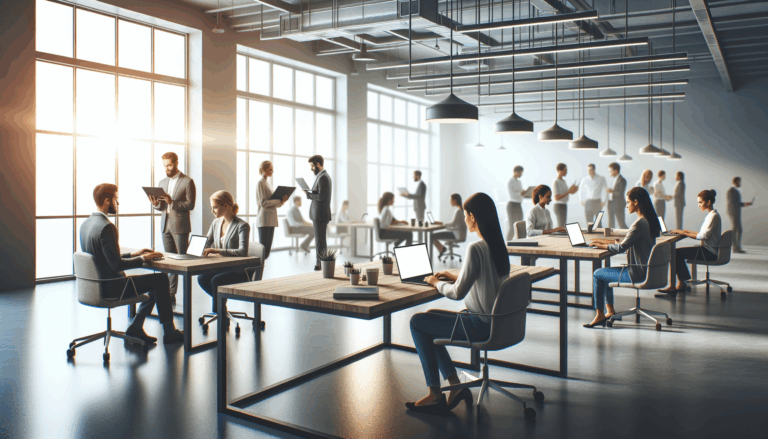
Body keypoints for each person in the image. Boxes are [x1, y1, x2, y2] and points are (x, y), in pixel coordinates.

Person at [406, 192, 510, 412]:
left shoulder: (476, 248)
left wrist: (436, 282)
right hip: (497, 322)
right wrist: (456, 276)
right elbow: (485, 278)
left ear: (472, 216)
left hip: (480, 325)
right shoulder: (498, 245)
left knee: (417, 322)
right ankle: (455, 385)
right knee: (430, 317)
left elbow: (457, 294)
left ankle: (435, 394)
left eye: (465, 215)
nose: (464, 219)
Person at [82, 183, 183, 345]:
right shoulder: (107, 227)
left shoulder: (86, 224)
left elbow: (104, 257)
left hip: (95, 286)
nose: (118, 203)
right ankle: (170, 332)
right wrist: (143, 259)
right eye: (116, 199)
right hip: (112, 287)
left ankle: (136, 327)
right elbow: (116, 265)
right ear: (107, 201)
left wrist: (133, 254)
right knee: (161, 280)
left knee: (153, 283)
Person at [585, 187, 660, 328]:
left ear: (636, 202)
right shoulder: (649, 221)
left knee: (598, 274)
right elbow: (627, 243)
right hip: (647, 270)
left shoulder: (638, 224)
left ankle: (601, 314)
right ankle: (610, 311)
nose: (626, 205)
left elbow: (621, 248)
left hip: (637, 273)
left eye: (628, 202)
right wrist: (604, 243)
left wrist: (601, 246)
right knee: (605, 273)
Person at [148, 152, 196, 303]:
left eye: (169, 165)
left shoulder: (188, 182)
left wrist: (172, 201)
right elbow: (161, 206)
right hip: (165, 225)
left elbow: (190, 204)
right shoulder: (162, 182)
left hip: (180, 226)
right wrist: (156, 204)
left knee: (181, 262)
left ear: (176, 163)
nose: (166, 169)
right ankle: (170, 293)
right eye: (164, 166)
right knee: (169, 261)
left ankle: (186, 295)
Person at [658, 189, 722, 294]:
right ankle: (683, 282)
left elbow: (703, 236)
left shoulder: (713, 216)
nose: (698, 205)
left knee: (676, 253)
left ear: (708, 202)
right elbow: (703, 233)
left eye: (700, 202)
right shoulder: (712, 215)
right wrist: (685, 231)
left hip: (709, 252)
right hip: (708, 249)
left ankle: (679, 284)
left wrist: (684, 233)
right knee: (677, 252)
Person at [197, 191, 253, 312]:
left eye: (215, 207)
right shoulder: (216, 223)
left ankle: (219, 312)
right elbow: (208, 242)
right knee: (202, 278)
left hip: (238, 270)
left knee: (216, 281)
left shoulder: (242, 226)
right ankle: (221, 307)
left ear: (226, 206)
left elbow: (243, 251)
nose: (212, 211)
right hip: (220, 267)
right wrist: (196, 249)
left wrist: (217, 251)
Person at [254, 160, 289, 260]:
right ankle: (258, 273)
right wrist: (278, 200)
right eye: (270, 170)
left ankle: (260, 273)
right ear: (264, 170)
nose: (272, 172)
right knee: (263, 251)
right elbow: (263, 203)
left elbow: (275, 204)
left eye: (272, 170)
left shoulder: (267, 183)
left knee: (267, 251)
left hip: (271, 220)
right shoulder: (260, 183)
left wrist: (282, 201)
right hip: (264, 220)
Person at [524, 185, 566, 265]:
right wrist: (552, 230)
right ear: (540, 197)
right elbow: (529, 232)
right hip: (536, 244)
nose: (550, 199)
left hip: (546, 242)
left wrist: (558, 230)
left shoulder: (547, 211)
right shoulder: (532, 211)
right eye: (548, 197)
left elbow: (549, 230)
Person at [306, 155, 332, 271]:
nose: (311, 168)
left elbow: (321, 196)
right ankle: (321, 263)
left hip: (320, 214)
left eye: (312, 166)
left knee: (320, 241)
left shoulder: (323, 177)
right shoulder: (322, 176)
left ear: (317, 164)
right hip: (319, 214)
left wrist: (308, 194)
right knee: (320, 241)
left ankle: (320, 264)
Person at [726, 177, 752, 253]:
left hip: (736, 213)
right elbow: (732, 203)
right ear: (736, 182)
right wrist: (743, 204)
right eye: (739, 182)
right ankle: (735, 247)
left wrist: (745, 204)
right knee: (736, 230)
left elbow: (736, 203)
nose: (740, 183)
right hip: (733, 213)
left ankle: (736, 247)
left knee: (737, 230)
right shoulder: (731, 191)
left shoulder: (735, 191)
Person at [552, 163, 579, 228]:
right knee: (561, 226)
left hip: (564, 205)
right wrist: (569, 191)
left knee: (563, 226)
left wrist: (573, 190)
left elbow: (567, 193)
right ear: (559, 170)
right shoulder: (556, 181)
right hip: (559, 206)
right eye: (565, 170)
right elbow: (556, 197)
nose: (566, 172)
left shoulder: (563, 181)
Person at [506, 165, 526, 240]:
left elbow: (520, 194)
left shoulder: (519, 182)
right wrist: (521, 193)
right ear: (516, 172)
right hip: (512, 205)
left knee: (520, 225)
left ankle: (519, 244)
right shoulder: (510, 181)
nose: (521, 174)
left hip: (518, 205)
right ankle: (507, 246)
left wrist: (525, 193)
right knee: (512, 227)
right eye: (520, 173)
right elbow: (512, 195)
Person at [606, 162, 628, 229]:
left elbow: (620, 193)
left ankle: (631, 237)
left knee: (621, 223)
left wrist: (611, 191)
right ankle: (610, 239)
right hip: (610, 203)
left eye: (610, 171)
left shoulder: (622, 180)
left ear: (615, 171)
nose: (609, 173)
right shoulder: (612, 179)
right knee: (610, 224)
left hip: (618, 204)